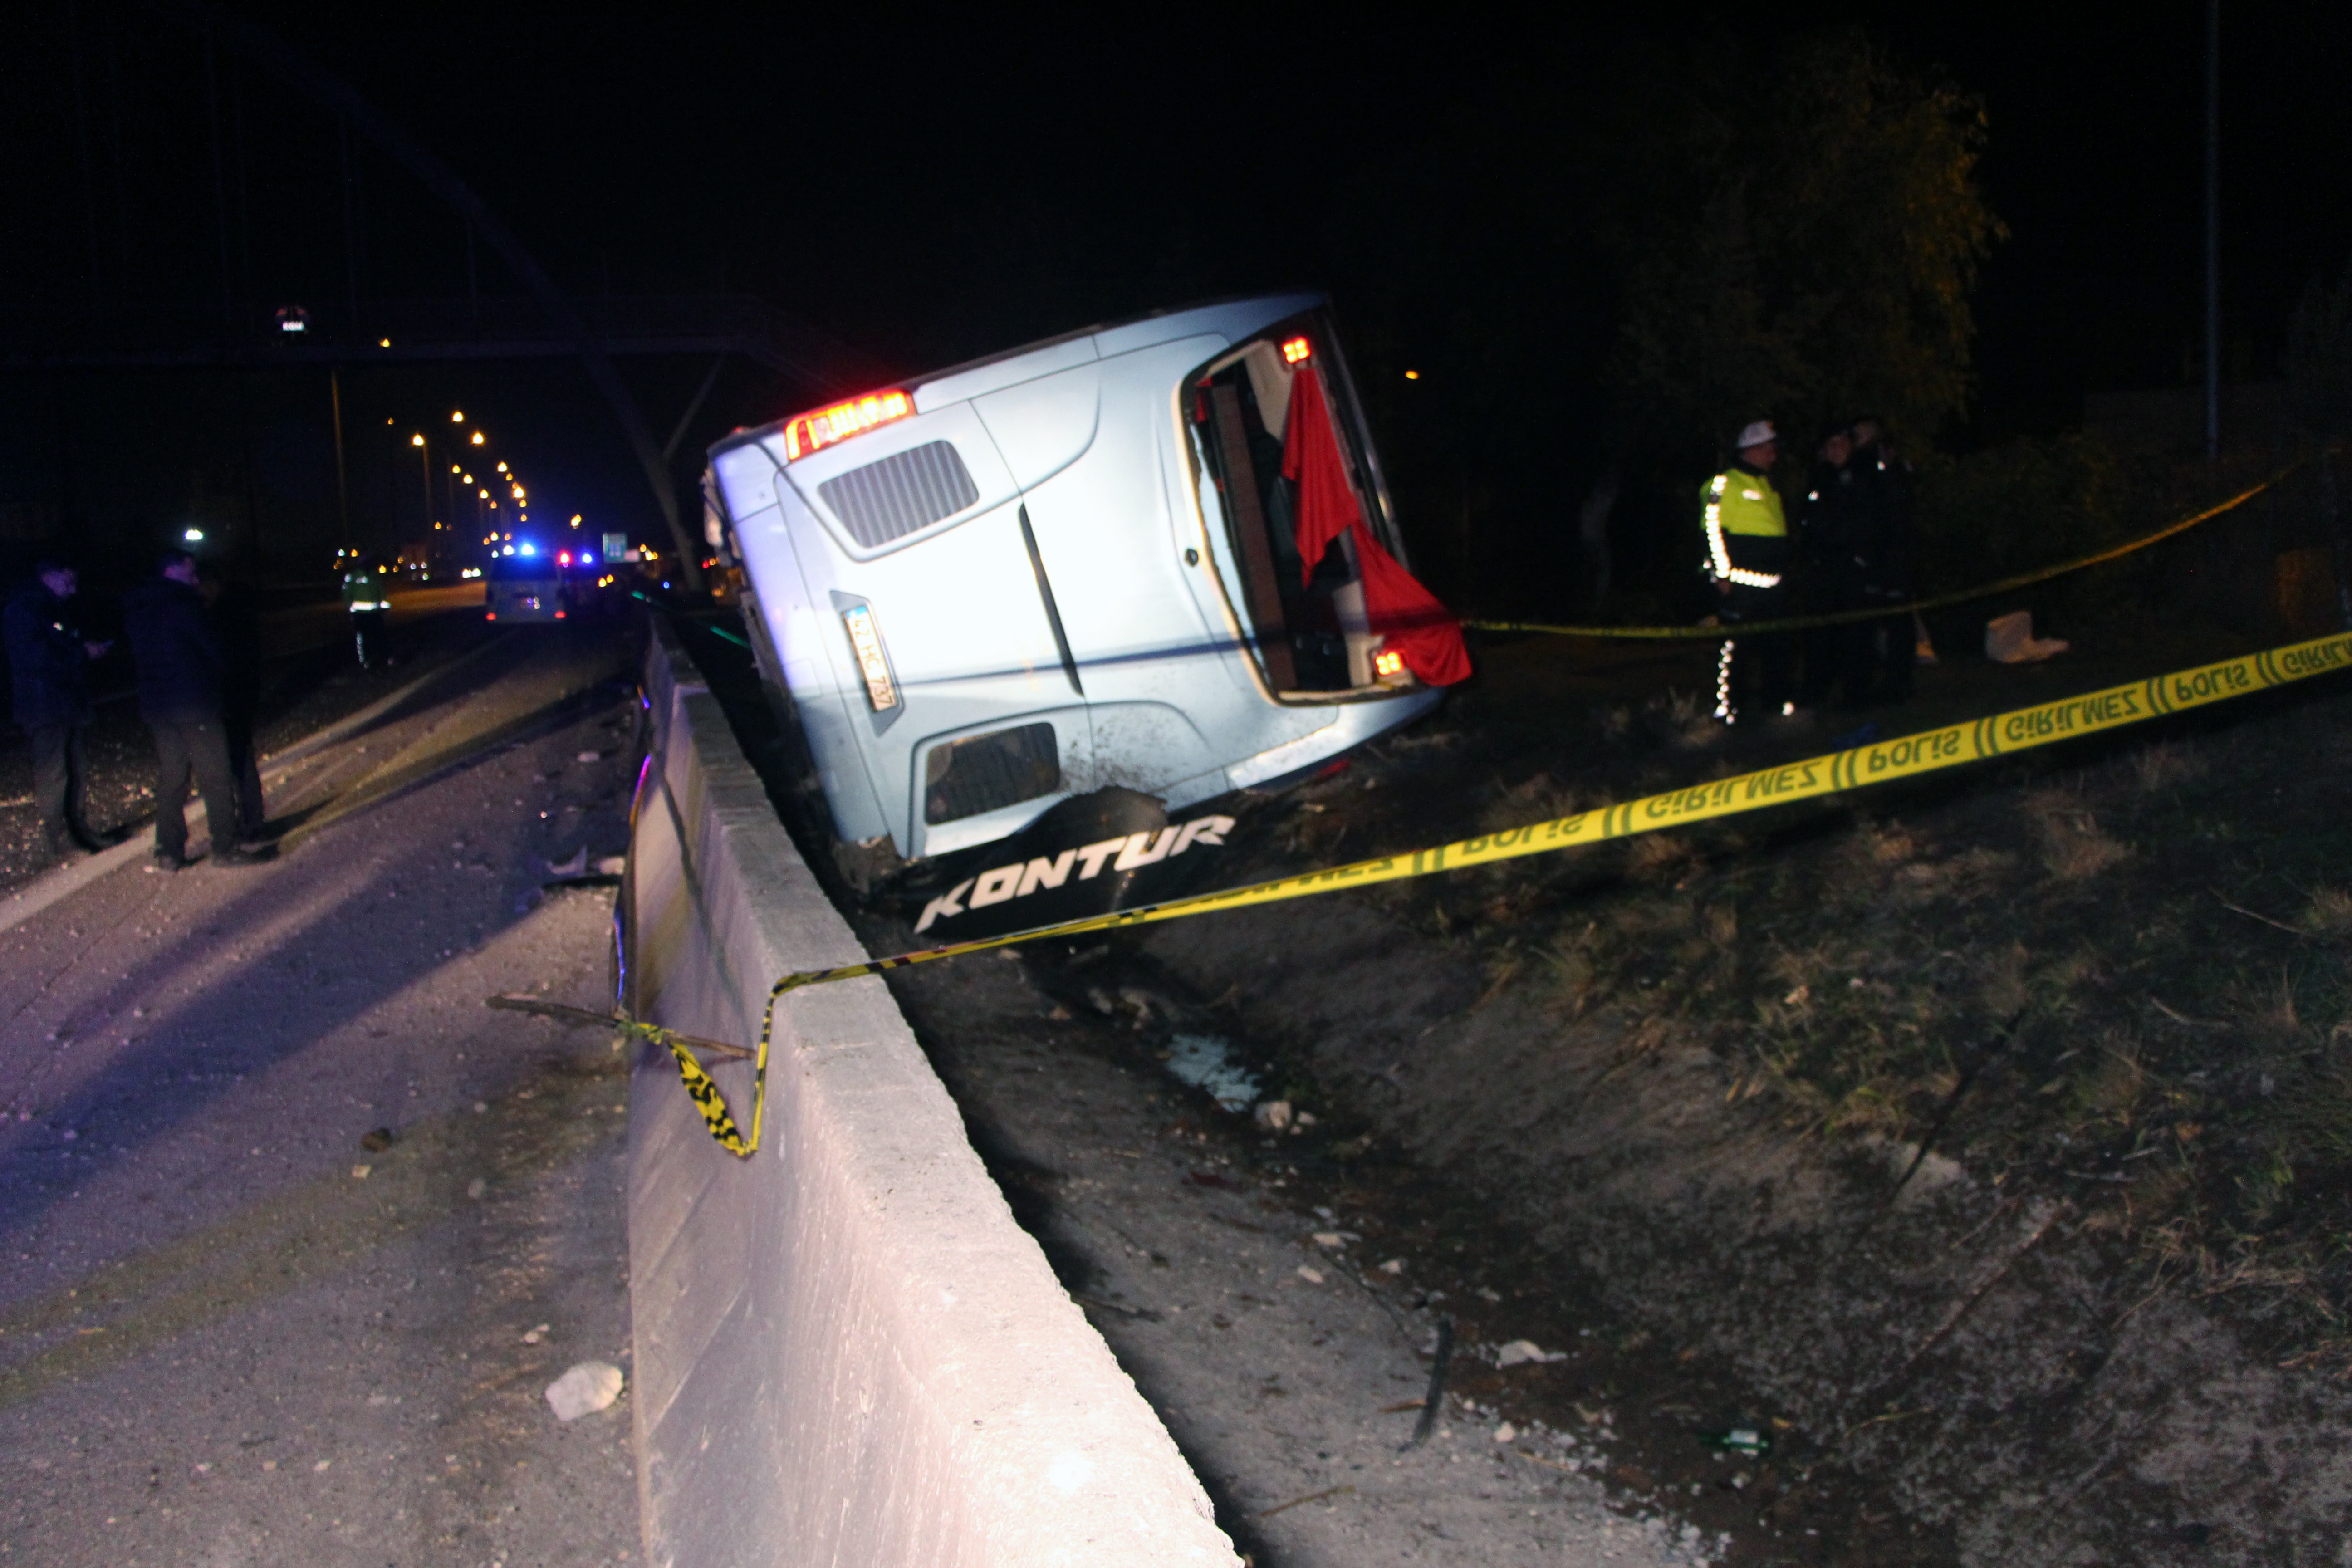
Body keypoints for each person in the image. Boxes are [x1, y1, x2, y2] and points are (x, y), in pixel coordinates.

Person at [124, 549, 260, 869]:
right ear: (172, 572)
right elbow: (213, 652)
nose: (195, 579)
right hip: (195, 705)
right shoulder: (185, 605)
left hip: (158, 708)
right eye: (190, 573)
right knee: (216, 777)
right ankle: (225, 847)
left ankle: (168, 850)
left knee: (173, 778)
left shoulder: (139, 609)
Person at [4, 559, 116, 857]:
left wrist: (81, 651)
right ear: (48, 576)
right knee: (54, 772)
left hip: (64, 702)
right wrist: (81, 653)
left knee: (76, 769)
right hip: (44, 705)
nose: (73, 590)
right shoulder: (25, 610)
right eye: (68, 582)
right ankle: (61, 839)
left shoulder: (50, 608)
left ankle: (79, 831)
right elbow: (35, 658)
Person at [1700, 420, 1796, 724]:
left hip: (1773, 584)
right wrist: (1722, 575)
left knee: (1777, 646)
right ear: (1752, 449)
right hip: (1740, 583)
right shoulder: (1723, 484)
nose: (1773, 456)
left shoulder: (1768, 486)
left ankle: (1774, 704)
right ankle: (1730, 708)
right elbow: (1712, 531)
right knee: (1735, 649)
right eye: (1769, 449)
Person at [1847, 416, 1919, 702]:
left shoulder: (1889, 463)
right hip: (1872, 559)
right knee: (1867, 624)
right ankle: (1867, 684)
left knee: (1898, 623)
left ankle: (1898, 682)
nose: (1858, 436)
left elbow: (1900, 509)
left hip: (1893, 557)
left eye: (1862, 432)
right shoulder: (1858, 465)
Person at [1796, 426, 1868, 707]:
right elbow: (1807, 520)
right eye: (1831, 444)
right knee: (1819, 633)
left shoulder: (1862, 476)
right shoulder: (1818, 479)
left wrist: (1860, 557)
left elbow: (1870, 521)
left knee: (1854, 633)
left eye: (1842, 443)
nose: (1836, 449)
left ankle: (1855, 692)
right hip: (1822, 568)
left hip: (1851, 568)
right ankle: (1817, 689)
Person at [201, 568, 269, 843]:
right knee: (240, 758)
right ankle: (252, 819)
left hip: (232, 698)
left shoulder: (223, 616)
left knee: (238, 760)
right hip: (240, 695)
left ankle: (250, 822)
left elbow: (229, 661)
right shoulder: (235, 611)